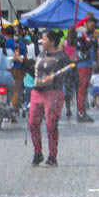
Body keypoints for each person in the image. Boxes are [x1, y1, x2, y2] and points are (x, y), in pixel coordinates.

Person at [28, 30, 72, 167]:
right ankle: (37, 152)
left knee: (51, 124)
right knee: (32, 123)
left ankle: (52, 156)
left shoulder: (62, 57)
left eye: (45, 39)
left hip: (53, 93)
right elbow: (34, 72)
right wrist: (23, 62)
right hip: (37, 92)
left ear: (52, 42)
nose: (42, 42)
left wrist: (53, 77)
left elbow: (70, 69)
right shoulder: (40, 55)